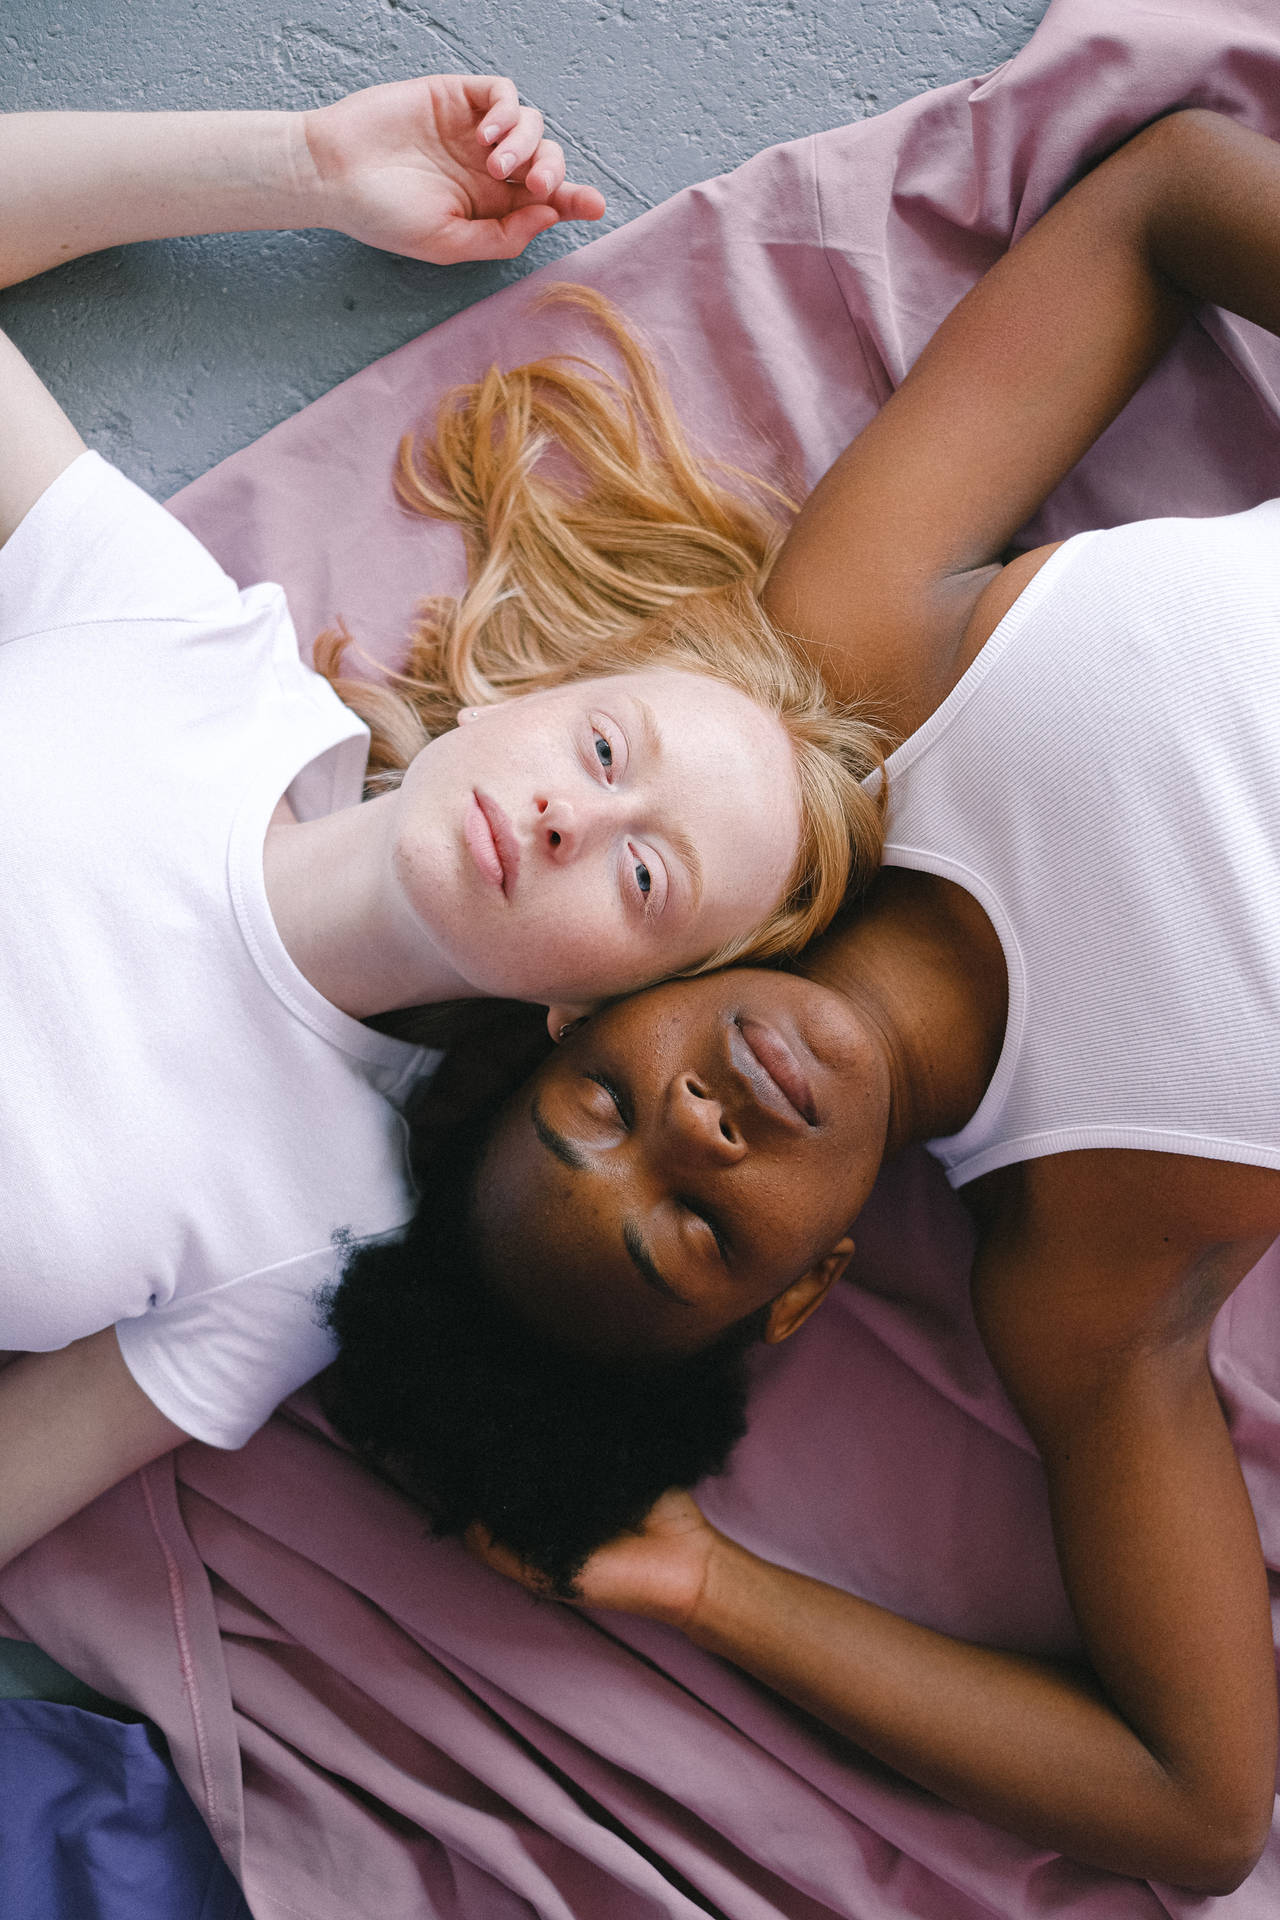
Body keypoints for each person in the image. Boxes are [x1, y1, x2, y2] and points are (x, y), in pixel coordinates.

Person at [324, 106, 1280, 1894]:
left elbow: (1166, 200)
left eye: (606, 1109)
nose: (692, 1131)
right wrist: (707, 1584)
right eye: (691, 1233)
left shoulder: (844, 661)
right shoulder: (1088, 1282)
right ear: (804, 1291)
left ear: (593, 1014)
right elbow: (1203, 1813)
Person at [0, 77, 881, 1570]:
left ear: (586, 1004)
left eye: (645, 871)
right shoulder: (190, 650)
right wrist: (301, 162)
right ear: (521, 700)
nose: (570, 820)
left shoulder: (318, 1233)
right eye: (607, 749)